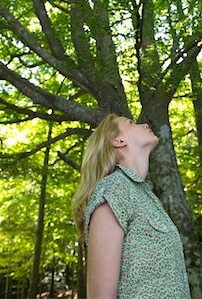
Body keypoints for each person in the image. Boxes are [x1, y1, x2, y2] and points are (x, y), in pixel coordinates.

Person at [72, 113, 191, 299]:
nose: (144, 124)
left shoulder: (146, 197)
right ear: (118, 140)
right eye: (131, 123)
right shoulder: (113, 190)